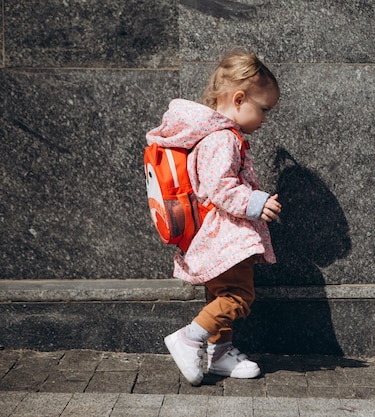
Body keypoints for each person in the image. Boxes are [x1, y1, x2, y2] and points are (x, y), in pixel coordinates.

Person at [146, 50, 281, 386]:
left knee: (220, 294)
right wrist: (254, 202)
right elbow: (218, 187)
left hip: (219, 235)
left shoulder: (218, 135)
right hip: (225, 235)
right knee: (238, 296)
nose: (264, 119)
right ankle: (189, 338)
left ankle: (220, 353)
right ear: (239, 98)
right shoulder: (223, 138)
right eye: (263, 109)